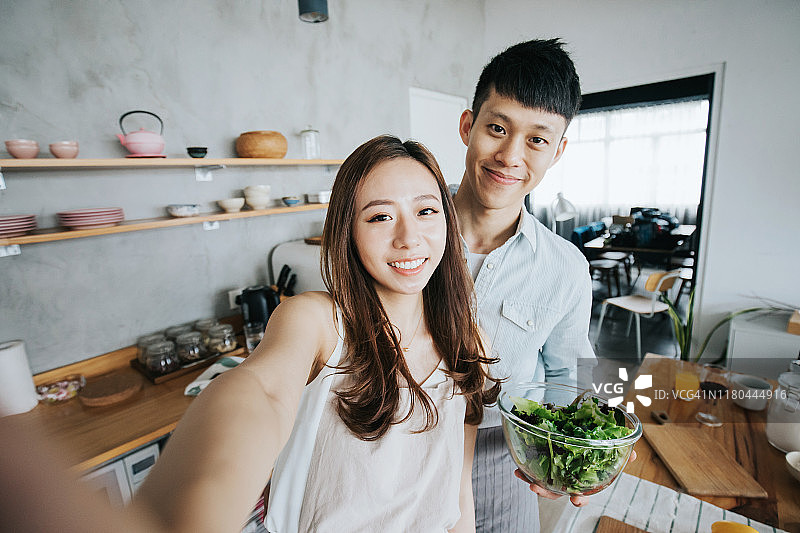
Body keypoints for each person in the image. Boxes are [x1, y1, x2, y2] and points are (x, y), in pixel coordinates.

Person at [134, 135, 500, 532]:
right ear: (349, 232)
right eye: (380, 217)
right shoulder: (317, 321)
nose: (409, 237)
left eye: (426, 211)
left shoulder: (467, 341)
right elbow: (263, 392)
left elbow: (457, 489)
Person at [452, 39, 596, 532]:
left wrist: (576, 449)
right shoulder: (402, 234)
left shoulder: (566, 269)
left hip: (500, 458)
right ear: (468, 126)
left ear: (557, 151)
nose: (510, 156)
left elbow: (567, 379)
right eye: (497, 128)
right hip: (390, 445)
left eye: (537, 139)